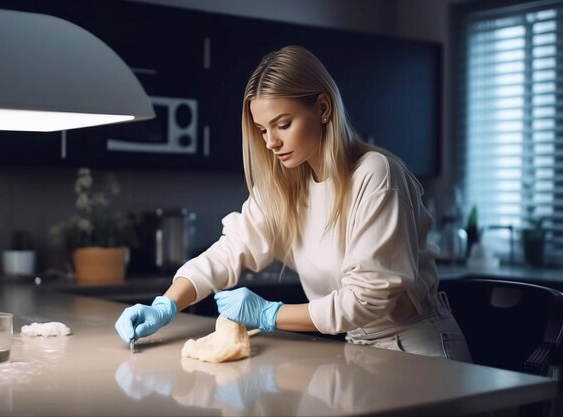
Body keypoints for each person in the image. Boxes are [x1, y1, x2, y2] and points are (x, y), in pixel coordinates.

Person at [115, 45, 472, 362]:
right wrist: (165, 304)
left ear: (322, 107)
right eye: (262, 130)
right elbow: (228, 252)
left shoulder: (375, 175)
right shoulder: (287, 186)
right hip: (357, 350)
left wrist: (269, 313)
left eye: (282, 124)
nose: (270, 142)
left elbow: (367, 300)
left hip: (418, 352)